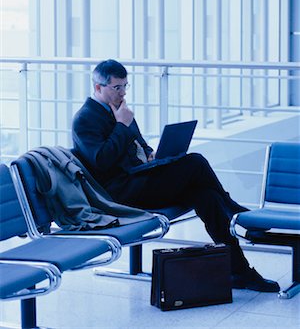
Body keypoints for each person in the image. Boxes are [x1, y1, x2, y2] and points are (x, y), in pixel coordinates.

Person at [72, 59, 279, 292]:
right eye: (116, 88)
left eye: (125, 86)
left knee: (206, 196)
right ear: (98, 87)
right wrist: (121, 125)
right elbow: (101, 160)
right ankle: (236, 213)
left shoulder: (121, 111)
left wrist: (152, 155)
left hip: (139, 180)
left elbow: (139, 143)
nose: (122, 92)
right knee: (195, 161)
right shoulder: (85, 119)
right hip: (120, 194)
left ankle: (240, 272)